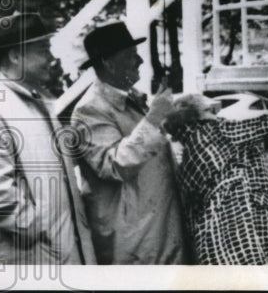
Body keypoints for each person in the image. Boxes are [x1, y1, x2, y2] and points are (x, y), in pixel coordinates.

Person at [162, 86, 268, 265]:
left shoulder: (188, 158)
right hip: (243, 238)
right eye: (212, 110)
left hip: (211, 247)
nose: (217, 114)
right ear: (201, 113)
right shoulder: (219, 132)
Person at [70, 22, 189, 264]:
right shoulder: (89, 110)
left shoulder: (133, 99)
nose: (140, 62)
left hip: (159, 231)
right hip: (134, 242)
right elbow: (114, 164)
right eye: (131, 56)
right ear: (108, 63)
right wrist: (154, 117)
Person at [0, 12, 96, 265]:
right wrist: (37, 230)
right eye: (43, 50)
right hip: (36, 261)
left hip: (66, 254)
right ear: (15, 55)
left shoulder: (42, 103)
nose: (51, 59)